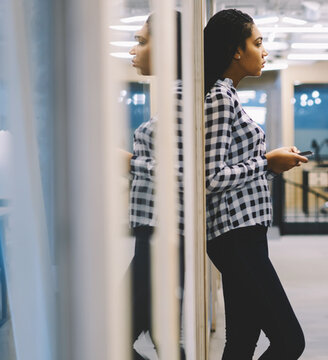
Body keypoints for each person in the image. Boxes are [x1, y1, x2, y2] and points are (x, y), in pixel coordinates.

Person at [203, 9, 307, 360]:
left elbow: (232, 172)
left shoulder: (228, 94)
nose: (264, 52)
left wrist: (273, 167)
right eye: (258, 43)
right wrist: (266, 162)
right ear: (236, 50)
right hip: (235, 236)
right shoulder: (219, 97)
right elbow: (211, 177)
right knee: (290, 340)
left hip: (244, 232)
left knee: (242, 342)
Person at [124, 12, 186, 360]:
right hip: (154, 230)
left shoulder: (180, 96)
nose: (134, 49)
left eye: (142, 41)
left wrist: (128, 162)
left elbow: (182, 171)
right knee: (163, 338)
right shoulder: (172, 92)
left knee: (113, 337)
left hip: (162, 234)